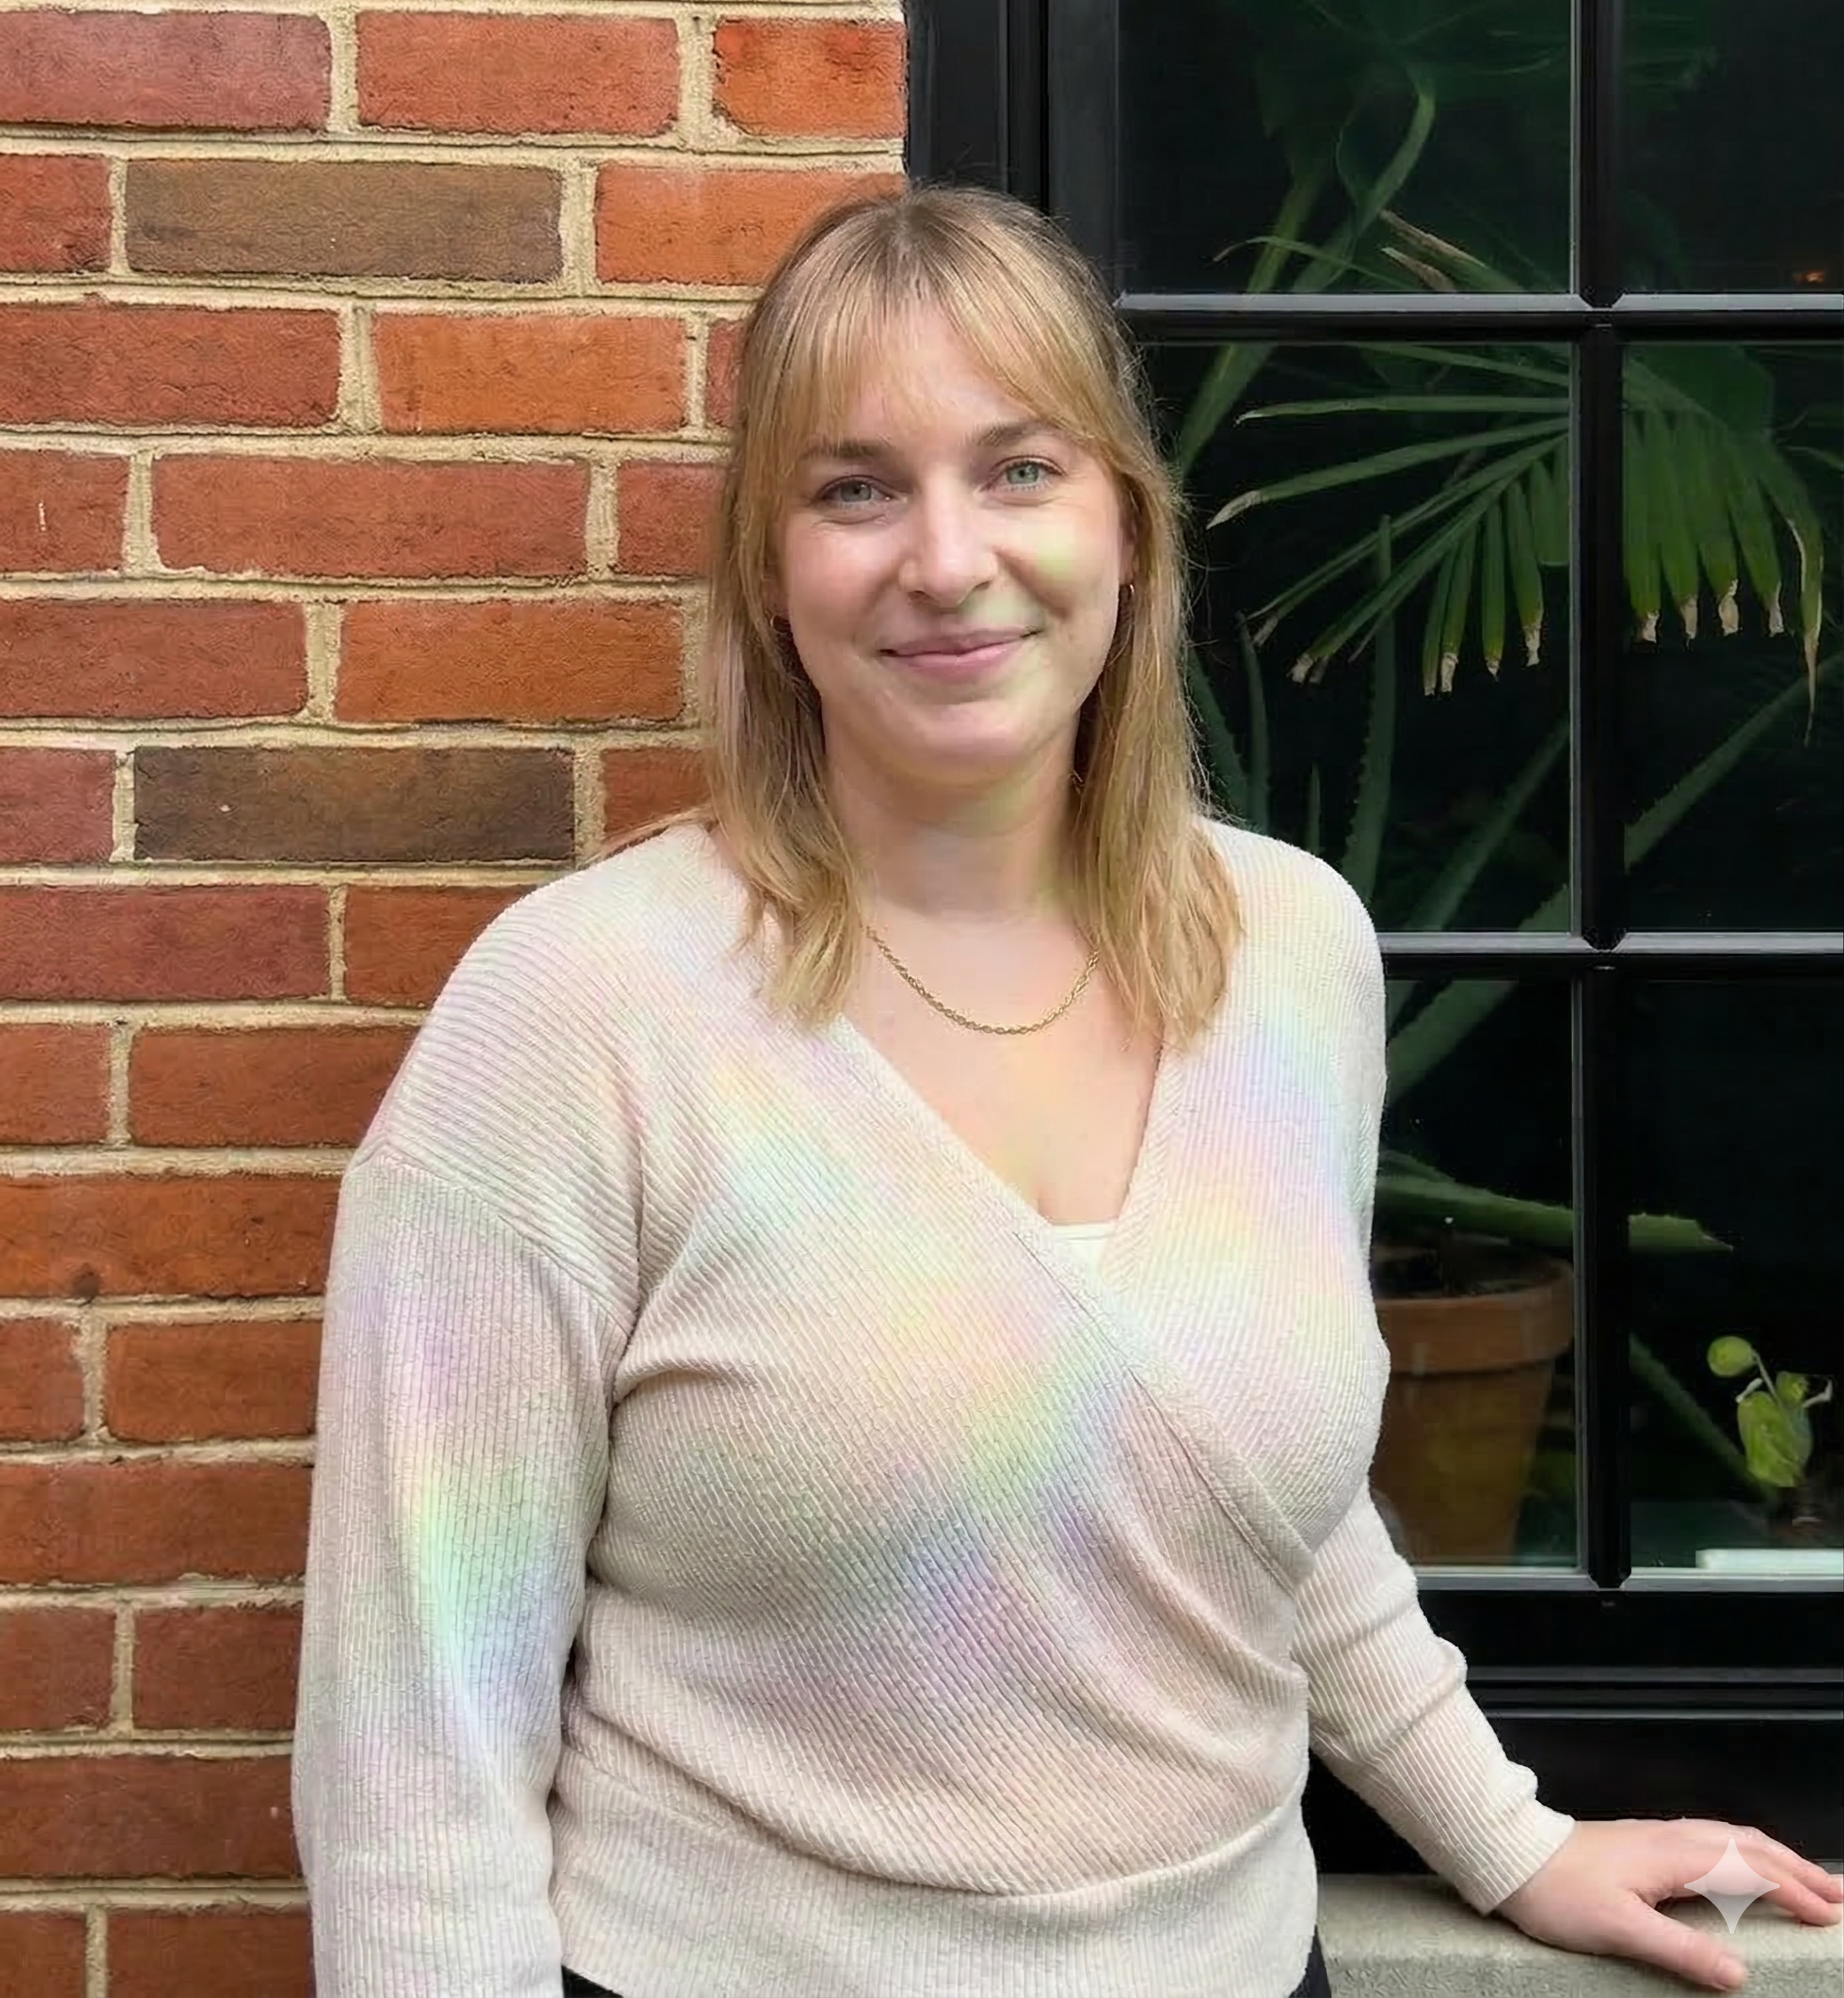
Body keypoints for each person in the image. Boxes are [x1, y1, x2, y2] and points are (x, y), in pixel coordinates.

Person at [291, 186, 1843, 1998]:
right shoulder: (579, 1020)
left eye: (1020, 468)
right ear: (770, 572)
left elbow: (1265, 1506)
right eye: (855, 487)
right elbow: (422, 1744)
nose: (945, 560)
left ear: (1128, 522)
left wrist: (1507, 1833)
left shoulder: (1289, 955)